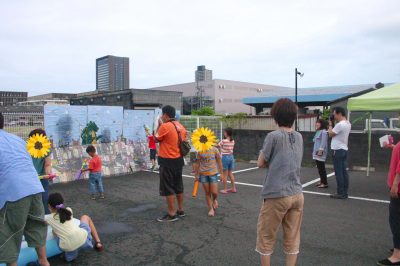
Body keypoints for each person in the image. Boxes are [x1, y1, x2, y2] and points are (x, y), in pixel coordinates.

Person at [256, 98, 304, 266]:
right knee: (292, 237)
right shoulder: (299, 136)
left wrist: (271, 160)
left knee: (266, 237)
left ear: (275, 116)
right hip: (297, 194)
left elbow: (261, 162)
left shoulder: (273, 136)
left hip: (277, 194)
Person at [0, 113, 50, 266]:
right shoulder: (16, 139)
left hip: (13, 192)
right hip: (34, 187)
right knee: (36, 225)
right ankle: (44, 261)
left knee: (8, 233)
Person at [46, 192, 103, 262]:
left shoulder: (48, 218)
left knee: (55, 232)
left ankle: (70, 256)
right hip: (83, 239)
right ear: (62, 203)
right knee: (85, 217)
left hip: (67, 246)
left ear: (49, 206)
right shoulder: (69, 210)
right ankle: (98, 243)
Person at [155, 105, 187, 222]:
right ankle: (181, 210)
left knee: (168, 188)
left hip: (167, 161)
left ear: (165, 115)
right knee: (178, 186)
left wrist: (158, 126)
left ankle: (172, 214)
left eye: (162, 114)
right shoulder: (180, 126)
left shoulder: (165, 126)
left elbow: (155, 139)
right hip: (178, 160)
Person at [377, 121, 400, 266]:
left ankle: (397, 255)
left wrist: (396, 184)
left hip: (398, 186)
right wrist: (393, 147)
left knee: (396, 219)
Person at [328, 107, 351, 199]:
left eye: (335, 114)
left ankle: (340, 192)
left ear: (340, 114)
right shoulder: (348, 123)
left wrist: (330, 124)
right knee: (344, 172)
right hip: (344, 149)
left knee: (339, 173)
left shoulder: (340, 125)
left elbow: (330, 134)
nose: (334, 116)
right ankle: (344, 192)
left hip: (337, 150)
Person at [194, 145, 223, 217]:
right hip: (203, 174)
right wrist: (196, 175)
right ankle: (211, 209)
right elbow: (197, 163)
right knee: (207, 193)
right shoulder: (200, 150)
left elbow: (219, 162)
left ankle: (214, 200)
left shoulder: (215, 149)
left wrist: (222, 173)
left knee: (214, 192)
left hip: (213, 174)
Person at [29, 128, 53, 214]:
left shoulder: (46, 147)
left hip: (42, 178)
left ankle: (47, 219)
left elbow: (47, 164)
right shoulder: (27, 148)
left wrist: (48, 173)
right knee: (30, 200)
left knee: (44, 199)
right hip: (29, 178)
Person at [218, 127, 237, 194]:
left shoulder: (223, 141)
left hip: (225, 158)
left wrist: (210, 144)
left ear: (227, 133)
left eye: (224, 132)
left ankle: (225, 189)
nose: (224, 133)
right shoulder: (233, 141)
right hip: (231, 157)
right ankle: (233, 188)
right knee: (230, 173)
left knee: (225, 174)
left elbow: (217, 145)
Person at [313, 119, 329, 188]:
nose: (316, 124)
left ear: (322, 124)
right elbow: (314, 140)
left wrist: (320, 151)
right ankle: (322, 181)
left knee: (321, 168)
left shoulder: (324, 132)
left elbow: (323, 142)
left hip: (320, 152)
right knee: (319, 168)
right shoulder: (318, 131)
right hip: (316, 151)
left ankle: (325, 183)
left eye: (318, 123)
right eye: (316, 122)